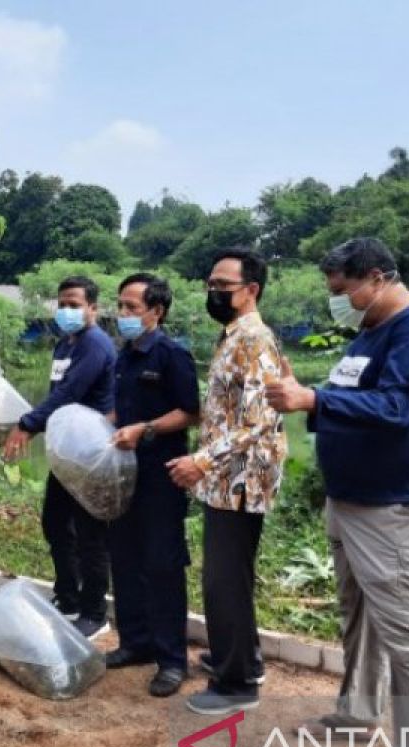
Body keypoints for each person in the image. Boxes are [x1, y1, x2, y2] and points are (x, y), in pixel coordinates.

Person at [266, 238, 409, 747]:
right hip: (357, 504)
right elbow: (350, 392)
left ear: (376, 277)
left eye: (343, 290)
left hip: (403, 509)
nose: (340, 301)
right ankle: (357, 714)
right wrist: (311, 395)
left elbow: (396, 407)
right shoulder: (372, 330)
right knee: (360, 617)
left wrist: (312, 400)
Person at [167, 248, 287, 714]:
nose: (213, 292)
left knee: (224, 580)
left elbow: (257, 420)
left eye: (224, 286)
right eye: (211, 284)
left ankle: (237, 685)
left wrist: (201, 459)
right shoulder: (233, 336)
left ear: (251, 290)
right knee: (229, 576)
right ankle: (242, 660)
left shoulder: (253, 339)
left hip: (242, 478)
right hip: (227, 477)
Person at [2, 277, 117, 640]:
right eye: (62, 303)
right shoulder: (66, 345)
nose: (66, 310)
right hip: (68, 454)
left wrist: (28, 424)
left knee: (90, 536)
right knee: (55, 523)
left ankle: (95, 612)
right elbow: (58, 394)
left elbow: (70, 393)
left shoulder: (95, 345)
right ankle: (67, 596)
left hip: (92, 455)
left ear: (92, 309)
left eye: (74, 304)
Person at [105, 273, 200, 698]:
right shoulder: (123, 356)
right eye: (120, 306)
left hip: (161, 475)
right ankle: (135, 642)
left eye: (131, 307)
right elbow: (118, 410)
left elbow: (190, 412)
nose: (122, 314)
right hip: (123, 475)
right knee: (124, 557)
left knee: (162, 564)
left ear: (156, 311)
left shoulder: (171, 355)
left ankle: (172, 660)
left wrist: (143, 429)